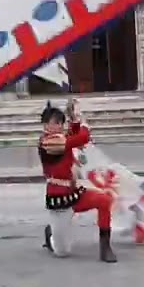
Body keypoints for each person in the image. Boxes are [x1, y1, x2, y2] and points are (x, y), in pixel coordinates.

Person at [39, 99, 117, 263]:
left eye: (61, 123)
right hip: (59, 199)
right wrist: (81, 120)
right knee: (63, 252)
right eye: (54, 123)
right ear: (45, 126)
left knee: (105, 200)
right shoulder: (48, 142)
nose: (59, 127)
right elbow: (81, 137)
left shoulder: (61, 139)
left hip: (73, 194)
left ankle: (105, 247)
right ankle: (51, 236)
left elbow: (73, 137)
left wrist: (73, 118)